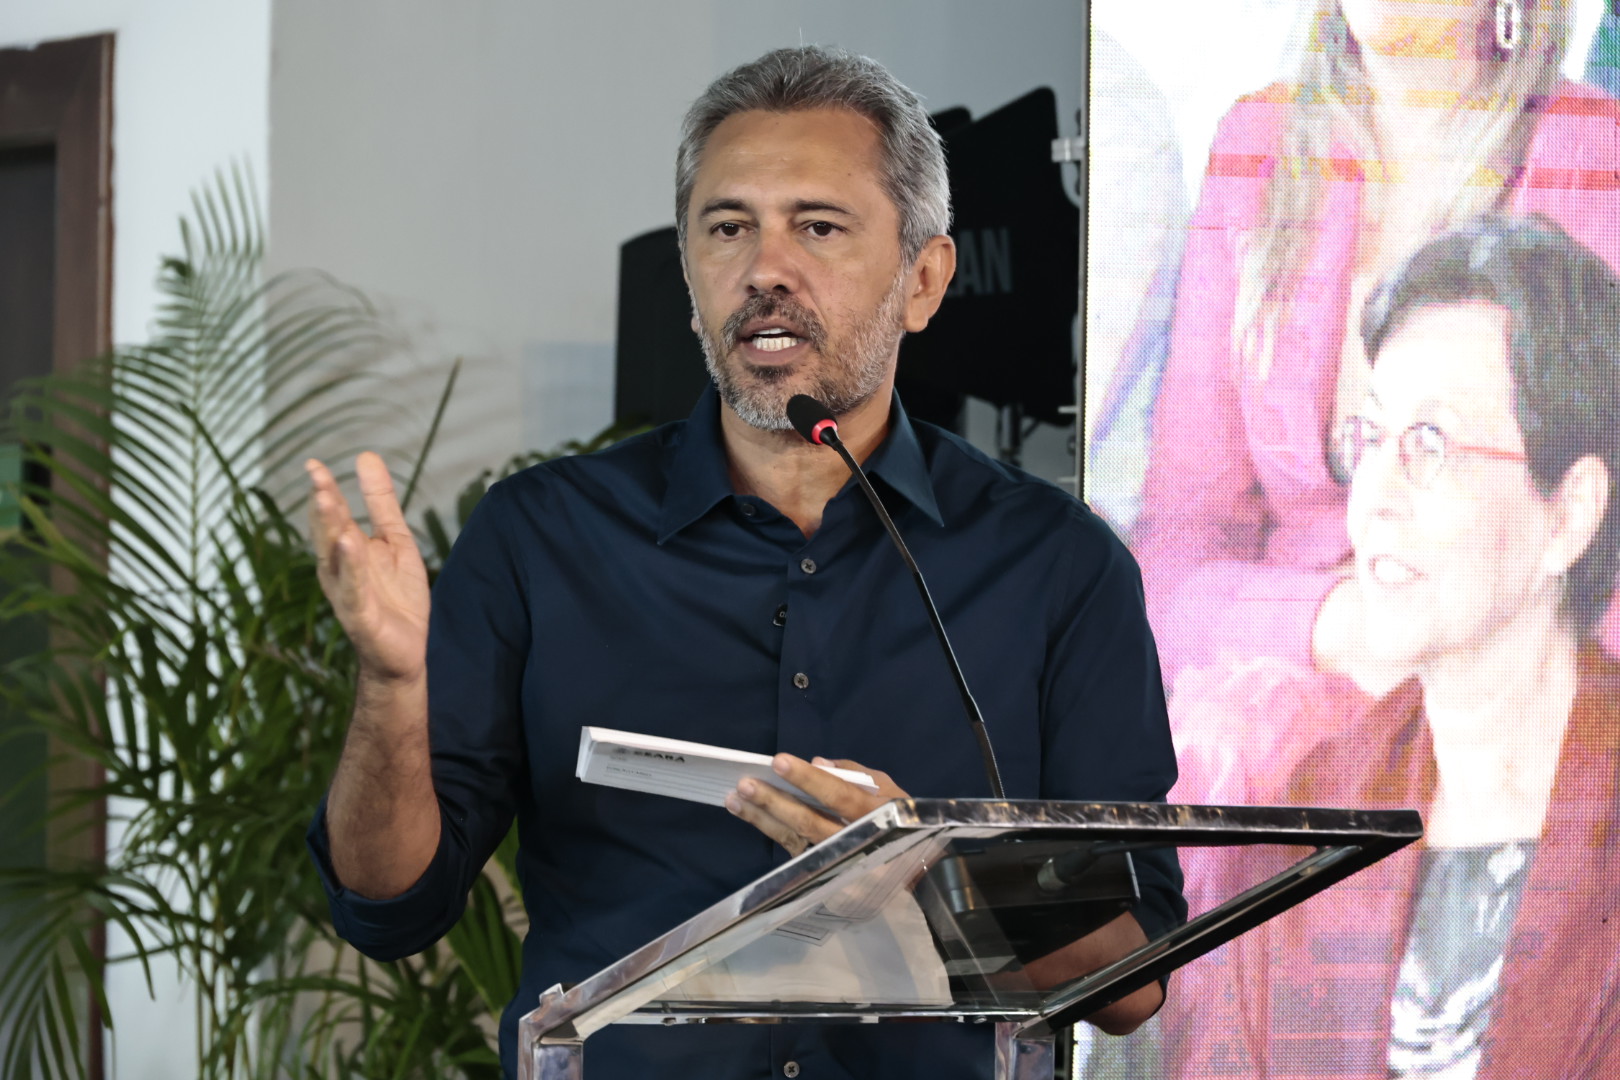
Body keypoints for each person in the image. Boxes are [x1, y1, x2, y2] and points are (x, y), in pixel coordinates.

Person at [303, 46, 1184, 1080]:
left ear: (924, 279)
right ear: (690, 280)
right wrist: (390, 685)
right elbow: (390, 906)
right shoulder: (539, 539)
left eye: (818, 226)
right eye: (728, 228)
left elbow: (1131, 980)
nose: (766, 270)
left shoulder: (1055, 565)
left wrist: (926, 869)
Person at [1167, 213, 1620, 1079]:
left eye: (1430, 444)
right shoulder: (1312, 820)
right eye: (1370, 437)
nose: (1373, 494)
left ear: (1568, 514)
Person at [1133, 0, 1620, 709]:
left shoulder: (1597, 161)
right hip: (1266, 706)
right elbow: (1171, 560)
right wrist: (1338, 628)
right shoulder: (1257, 144)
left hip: (1507, 727)